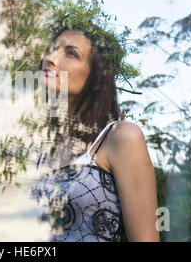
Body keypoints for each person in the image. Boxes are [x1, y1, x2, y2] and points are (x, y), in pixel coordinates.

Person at [29, 25, 160, 242]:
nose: (50, 58)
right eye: (52, 49)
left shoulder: (121, 137)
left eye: (71, 53)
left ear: (98, 80)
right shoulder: (39, 147)